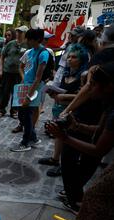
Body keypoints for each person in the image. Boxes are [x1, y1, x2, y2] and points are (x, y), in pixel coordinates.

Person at [45, 62, 114, 218]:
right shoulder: (108, 104)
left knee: (94, 199)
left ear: (108, 87)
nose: (89, 89)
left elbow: (98, 150)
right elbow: (99, 130)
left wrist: (64, 137)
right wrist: (77, 126)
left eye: (93, 84)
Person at [39, 44, 89, 177]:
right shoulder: (66, 73)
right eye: (69, 57)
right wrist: (53, 94)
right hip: (59, 109)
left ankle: (64, 166)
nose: (70, 59)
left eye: (74, 57)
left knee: (68, 140)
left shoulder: (83, 76)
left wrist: (64, 96)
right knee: (58, 135)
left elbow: (84, 96)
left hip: (72, 112)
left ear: (81, 59)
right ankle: (55, 159)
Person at [11, 28, 48, 152]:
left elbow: (38, 78)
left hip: (34, 89)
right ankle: (34, 138)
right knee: (22, 114)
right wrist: (23, 81)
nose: (27, 41)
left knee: (27, 115)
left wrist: (28, 96)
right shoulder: (30, 51)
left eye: (30, 39)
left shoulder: (44, 53)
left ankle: (25, 142)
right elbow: (23, 68)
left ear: (37, 39)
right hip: (26, 86)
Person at [0, 26, 29, 118]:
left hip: (19, 73)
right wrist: (0, 69)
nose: (18, 34)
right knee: (5, 91)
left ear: (25, 34)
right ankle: (1, 109)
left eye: (21, 32)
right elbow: (2, 56)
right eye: (18, 32)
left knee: (17, 92)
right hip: (7, 71)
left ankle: (14, 110)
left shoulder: (27, 45)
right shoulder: (10, 44)